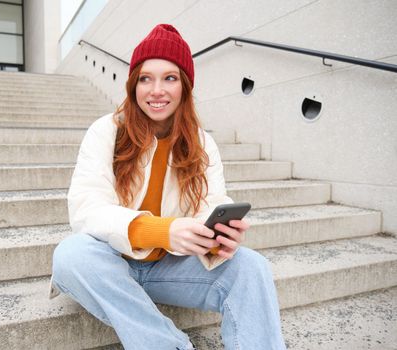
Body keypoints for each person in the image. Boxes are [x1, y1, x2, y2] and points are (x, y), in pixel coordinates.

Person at [51, 24, 286, 350]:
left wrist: (218, 239)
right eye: (145, 78)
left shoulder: (202, 143)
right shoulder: (106, 131)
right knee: (70, 256)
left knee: (251, 267)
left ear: (185, 86)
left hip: (170, 267)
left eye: (169, 78)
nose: (156, 90)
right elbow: (86, 208)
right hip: (110, 263)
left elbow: (212, 201)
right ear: (133, 84)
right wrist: (163, 230)